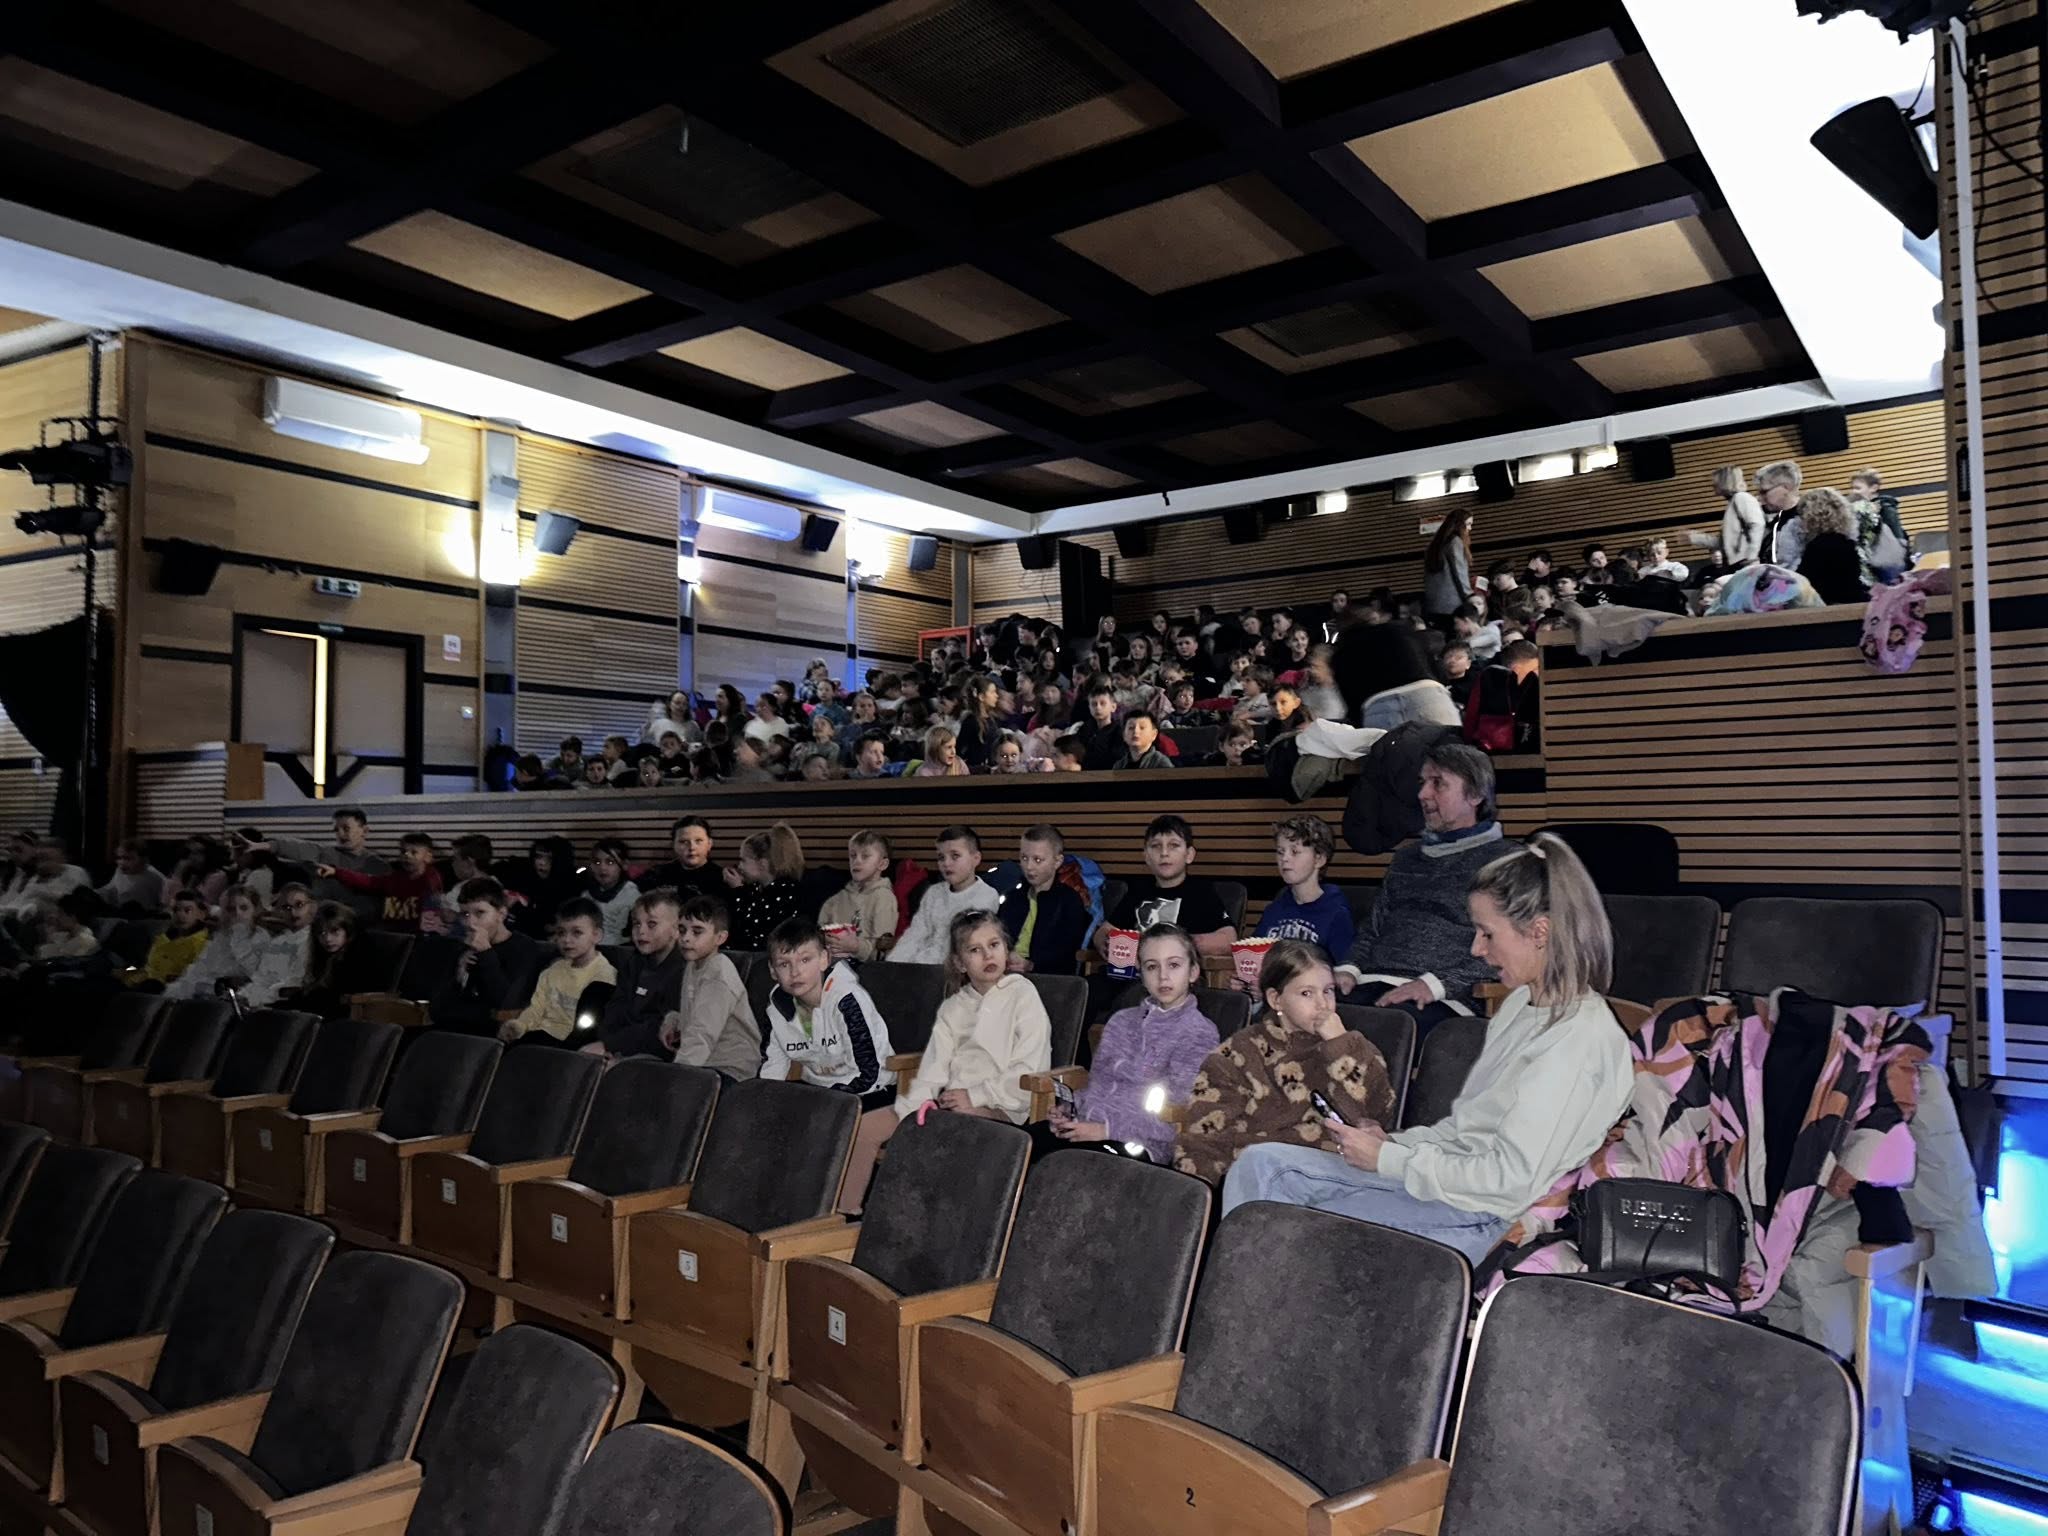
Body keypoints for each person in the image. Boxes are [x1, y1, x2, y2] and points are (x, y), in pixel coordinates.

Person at [1221, 836, 1630, 1263]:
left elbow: (1507, 1182)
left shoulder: (1578, 1041)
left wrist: (1391, 1160)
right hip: (1450, 1186)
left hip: (1488, 1218)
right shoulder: (1522, 1006)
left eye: (1488, 933)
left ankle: (1251, 1294)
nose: (1476, 949)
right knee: (1260, 1166)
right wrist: (1395, 1144)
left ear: (1539, 932)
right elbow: (1464, 1131)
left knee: (1298, 1219)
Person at [843, 911, 1050, 1214]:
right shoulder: (954, 1007)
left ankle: (923, 1217)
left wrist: (975, 1096)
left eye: (994, 945)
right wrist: (916, 1106)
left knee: (943, 1135)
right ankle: (845, 1219)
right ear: (959, 963)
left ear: (1006, 949)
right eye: (975, 950)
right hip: (950, 1104)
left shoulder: (1023, 994)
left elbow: (1028, 1069)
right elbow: (933, 1069)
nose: (987, 955)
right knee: (866, 1128)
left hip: (1003, 1105)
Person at [1173, 940, 1396, 1185]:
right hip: (1259, 1179)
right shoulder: (1239, 1052)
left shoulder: (1353, 1046)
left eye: (1328, 991)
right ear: (1276, 999)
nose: (1322, 1004)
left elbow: (1375, 1118)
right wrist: (1201, 1195)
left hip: (1334, 1177)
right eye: (1306, 993)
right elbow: (1205, 1137)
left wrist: (1340, 1046)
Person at [1338, 739, 1522, 1034]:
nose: (1422, 794)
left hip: (1445, 999)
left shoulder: (1508, 862)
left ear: (1475, 794)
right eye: (1423, 783)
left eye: (1438, 783)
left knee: (1381, 1031)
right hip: (1370, 985)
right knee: (1295, 1012)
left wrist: (1435, 985)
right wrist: (1348, 968)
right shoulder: (1406, 858)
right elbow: (1373, 929)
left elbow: (1514, 948)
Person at [1035, 924, 1219, 1164]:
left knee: (1060, 1164)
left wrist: (1106, 1130)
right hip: (1091, 1128)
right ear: (1141, 974)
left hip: (1141, 1144)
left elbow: (1180, 1113)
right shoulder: (1121, 1021)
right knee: (1021, 1144)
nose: (1163, 976)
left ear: (1193, 972)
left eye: (1174, 965)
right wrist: (1069, 1111)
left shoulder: (1199, 1033)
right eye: (1152, 966)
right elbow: (1098, 1085)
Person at [759, 918, 894, 1160]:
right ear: (772, 970)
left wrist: (823, 1099)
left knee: (813, 1125)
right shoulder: (775, 1010)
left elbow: (868, 1072)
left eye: (805, 960)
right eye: (784, 964)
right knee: (766, 1120)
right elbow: (773, 1069)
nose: (795, 972)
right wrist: (764, 1104)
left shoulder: (847, 1000)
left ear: (824, 959)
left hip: (871, 1091)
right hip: (819, 1091)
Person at [1094, 815, 1236, 963]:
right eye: (1156, 846)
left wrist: (1176, 944)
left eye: (1173, 845)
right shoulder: (1138, 891)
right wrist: (1106, 943)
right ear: (1146, 856)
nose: (1164, 853)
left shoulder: (1202, 893)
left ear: (1189, 855)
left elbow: (1229, 939)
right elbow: (1104, 931)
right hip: (1135, 972)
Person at [429, 878, 547, 1034]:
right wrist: (459, 976)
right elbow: (436, 1009)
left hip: (491, 1035)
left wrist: (486, 953)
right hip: (454, 1031)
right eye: (465, 914)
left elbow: (506, 1006)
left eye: (480, 913)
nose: (470, 923)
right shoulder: (462, 949)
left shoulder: (524, 948)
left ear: (501, 914)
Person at [662, 896, 762, 1076]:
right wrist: (675, 1020)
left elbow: (702, 1033)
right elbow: (698, 1013)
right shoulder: (692, 964)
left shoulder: (718, 971)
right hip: (704, 1064)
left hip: (730, 1069)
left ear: (720, 937)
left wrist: (677, 1076)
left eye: (697, 931)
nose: (685, 938)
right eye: (682, 930)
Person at [589, 890, 689, 1058]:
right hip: (624, 1045)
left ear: (677, 930)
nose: (641, 931)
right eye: (636, 923)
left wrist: (611, 1045)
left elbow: (661, 1029)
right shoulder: (634, 962)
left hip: (661, 1053)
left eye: (652, 924)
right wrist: (606, 1044)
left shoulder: (685, 970)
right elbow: (616, 1009)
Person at [503, 897, 615, 1044]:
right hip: (539, 1036)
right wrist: (520, 1025)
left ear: (597, 935)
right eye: (561, 933)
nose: (567, 940)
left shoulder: (604, 976)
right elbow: (536, 1008)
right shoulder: (553, 970)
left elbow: (589, 1028)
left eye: (577, 933)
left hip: (570, 1044)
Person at [249, 810, 390, 920]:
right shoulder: (325, 854)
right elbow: (297, 847)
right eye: (336, 830)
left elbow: (378, 906)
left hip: (356, 926)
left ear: (364, 831)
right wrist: (261, 845)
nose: (340, 834)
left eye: (346, 828)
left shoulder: (378, 866)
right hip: (319, 923)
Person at [1251, 816, 1354, 967]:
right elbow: (1255, 959)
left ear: (1319, 859)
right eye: (1280, 852)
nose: (1284, 858)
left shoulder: (1336, 913)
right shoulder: (1273, 910)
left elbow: (1343, 969)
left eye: (1295, 851)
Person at [892, 826, 998, 965]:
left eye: (955, 856)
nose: (946, 863)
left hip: (948, 970)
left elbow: (961, 947)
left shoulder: (986, 896)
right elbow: (914, 935)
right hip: (918, 966)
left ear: (976, 859)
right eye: (941, 857)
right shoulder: (934, 892)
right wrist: (893, 965)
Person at [996, 825, 1088, 976]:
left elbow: (1066, 950)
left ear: (1057, 861)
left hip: (1046, 977)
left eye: (1037, 860)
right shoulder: (1013, 898)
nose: (1029, 867)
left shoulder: (1069, 901)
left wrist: (1031, 965)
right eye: (1024, 858)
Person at [319, 833, 444, 936]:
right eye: (403, 851)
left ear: (428, 857)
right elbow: (369, 881)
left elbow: (432, 916)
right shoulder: (395, 878)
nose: (406, 856)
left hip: (413, 936)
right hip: (388, 932)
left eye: (414, 852)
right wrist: (336, 872)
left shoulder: (431, 881)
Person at [165, 884, 269, 999]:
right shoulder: (220, 937)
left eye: (244, 908)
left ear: (255, 910)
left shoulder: (261, 939)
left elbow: (253, 977)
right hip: (203, 991)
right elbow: (199, 968)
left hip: (231, 996)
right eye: (231, 909)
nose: (237, 913)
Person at [721, 824, 807, 949]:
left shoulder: (784, 892)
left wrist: (738, 891)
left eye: (743, 861)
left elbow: (752, 927)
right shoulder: (755, 888)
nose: (739, 866)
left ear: (762, 864)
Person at [820, 830, 898, 964]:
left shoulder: (884, 898)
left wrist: (855, 947)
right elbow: (818, 934)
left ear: (882, 864)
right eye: (853, 856)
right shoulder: (836, 900)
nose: (857, 861)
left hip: (864, 969)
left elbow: (880, 953)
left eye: (865, 856)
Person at [1793, 487, 1870, 605]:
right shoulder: (1847, 542)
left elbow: (1805, 584)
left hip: (1831, 608)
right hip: (1853, 603)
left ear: (1811, 516)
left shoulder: (1818, 546)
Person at [124, 890, 212, 990]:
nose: (180, 915)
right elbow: (146, 968)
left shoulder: (204, 945)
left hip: (167, 991)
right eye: (175, 910)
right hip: (139, 984)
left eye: (187, 910)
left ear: (201, 914)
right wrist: (126, 972)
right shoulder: (163, 938)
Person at [291, 902, 366, 1019]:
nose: (327, 939)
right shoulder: (324, 955)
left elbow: (340, 996)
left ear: (347, 931)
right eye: (322, 933)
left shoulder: (358, 958)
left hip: (348, 1015)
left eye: (334, 931)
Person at [0, 837, 90, 924]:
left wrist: (42, 893)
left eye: (46, 859)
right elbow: (16, 905)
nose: (41, 864)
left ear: (61, 857)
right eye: (40, 860)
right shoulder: (35, 879)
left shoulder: (75, 873)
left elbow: (76, 902)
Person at [638, 817, 725, 904]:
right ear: (673, 845)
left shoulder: (722, 878)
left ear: (709, 844)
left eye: (698, 841)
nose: (691, 847)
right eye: (684, 842)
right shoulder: (656, 874)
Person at [1849, 467, 1911, 579]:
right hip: (1871, 561)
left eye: (1858, 488)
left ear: (1874, 488)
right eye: (1852, 488)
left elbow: (1898, 535)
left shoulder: (1885, 507)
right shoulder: (1857, 509)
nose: (1854, 492)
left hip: (1888, 562)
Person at [1422, 507, 1473, 631]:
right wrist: (1470, 596)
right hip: (1452, 605)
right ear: (1459, 525)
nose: (1470, 528)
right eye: (1468, 524)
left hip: (1433, 605)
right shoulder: (1455, 542)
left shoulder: (1435, 545)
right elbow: (1459, 573)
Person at [582, 838, 639, 945]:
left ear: (624, 865)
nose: (602, 867)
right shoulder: (586, 895)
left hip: (619, 948)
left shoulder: (632, 896)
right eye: (597, 862)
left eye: (610, 862)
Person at [95, 840, 166, 915]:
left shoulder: (155, 877)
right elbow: (111, 889)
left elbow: (164, 905)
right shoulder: (119, 871)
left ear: (143, 859)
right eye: (119, 858)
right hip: (120, 914)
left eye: (128, 858)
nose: (122, 863)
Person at [1713, 465, 1764, 567]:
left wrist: (1752, 556)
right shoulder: (1734, 501)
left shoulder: (1741, 498)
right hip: (1740, 562)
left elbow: (1757, 524)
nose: (1713, 485)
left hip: (1746, 561)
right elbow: (1725, 541)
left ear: (1724, 481)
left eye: (1715, 482)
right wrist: (1695, 538)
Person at [1757, 460, 1805, 566]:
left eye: (1764, 492)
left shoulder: (1809, 520)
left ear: (1786, 488)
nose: (1759, 498)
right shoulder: (1774, 524)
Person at [954, 675, 1002, 771]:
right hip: (977, 771)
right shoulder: (970, 722)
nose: (996, 695)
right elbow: (960, 749)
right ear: (981, 697)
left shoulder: (992, 719)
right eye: (992, 692)